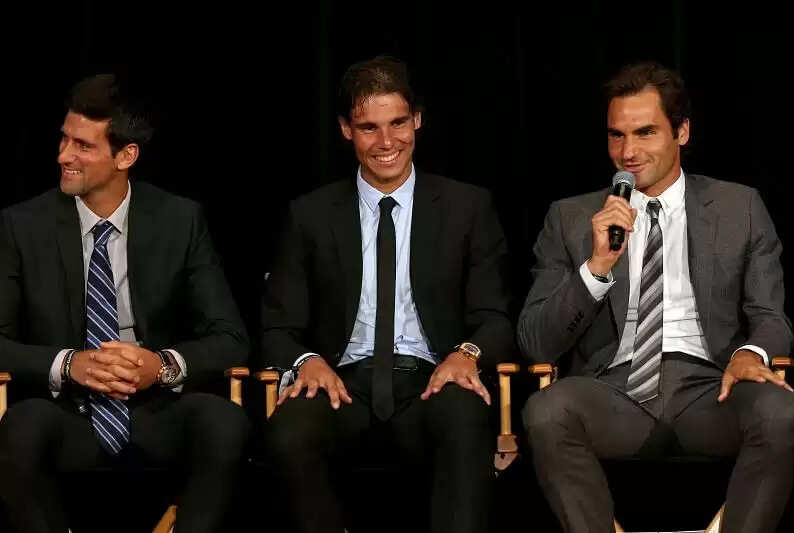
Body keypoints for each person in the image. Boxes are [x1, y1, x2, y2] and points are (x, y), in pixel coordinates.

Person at [518, 61, 794, 533]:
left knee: (779, 410)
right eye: (616, 135)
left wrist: (750, 354)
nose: (628, 152)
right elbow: (536, 342)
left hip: (712, 388)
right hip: (614, 391)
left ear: (681, 132)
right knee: (546, 411)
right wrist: (596, 268)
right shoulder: (570, 218)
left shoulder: (740, 207)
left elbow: (771, 316)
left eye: (645, 132)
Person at [261, 55, 515, 533]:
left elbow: (496, 316)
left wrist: (466, 354)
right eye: (368, 127)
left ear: (417, 119)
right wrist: (307, 361)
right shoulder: (309, 215)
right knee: (288, 432)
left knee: (465, 417)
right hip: (341, 384)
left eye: (397, 123)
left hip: (432, 381)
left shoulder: (467, 207)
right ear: (346, 130)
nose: (386, 142)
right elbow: (277, 327)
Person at [0, 73, 251, 533]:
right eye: (64, 139)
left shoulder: (179, 219)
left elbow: (231, 337)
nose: (63, 156)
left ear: (126, 156)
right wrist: (68, 364)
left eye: (83, 145)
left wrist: (161, 365)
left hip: (155, 407)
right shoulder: (22, 226)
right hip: (67, 410)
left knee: (225, 423)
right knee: (20, 427)